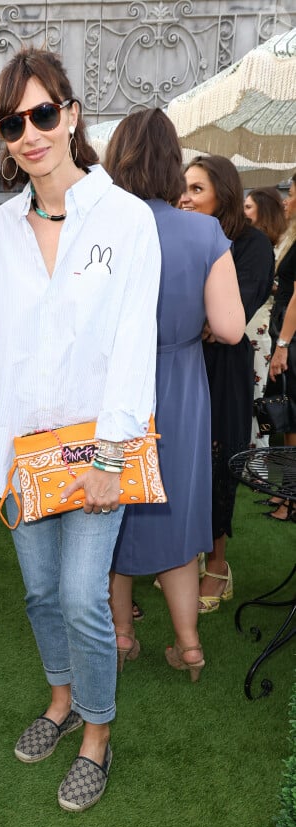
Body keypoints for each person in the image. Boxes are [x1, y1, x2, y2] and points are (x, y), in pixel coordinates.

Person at [0, 47, 161, 813]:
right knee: (39, 593)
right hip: (24, 454)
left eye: (42, 114)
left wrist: (112, 458)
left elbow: (132, 344)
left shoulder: (126, 218)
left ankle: (96, 733)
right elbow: (4, 351)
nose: (29, 133)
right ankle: (61, 698)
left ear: (72, 115)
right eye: (12, 122)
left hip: (99, 451)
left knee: (85, 597)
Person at [104, 109, 244, 681]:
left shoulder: (100, 227)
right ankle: (188, 644)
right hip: (181, 385)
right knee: (180, 513)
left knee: (110, 510)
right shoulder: (202, 231)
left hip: (114, 387)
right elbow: (233, 327)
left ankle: (121, 635)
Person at [181, 155, 275, 612]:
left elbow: (230, 317)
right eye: (184, 188)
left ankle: (218, 564)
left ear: (224, 191)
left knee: (220, 460)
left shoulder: (252, 243)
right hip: (184, 363)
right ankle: (188, 553)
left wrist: (202, 318)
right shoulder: (184, 235)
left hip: (226, 370)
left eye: (197, 188)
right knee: (185, 458)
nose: (185, 196)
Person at [243, 187, 287, 449]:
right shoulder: (258, 243)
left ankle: (257, 459)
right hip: (254, 324)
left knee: (258, 396)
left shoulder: (271, 245)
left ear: (263, 211)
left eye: (248, 207)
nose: (243, 213)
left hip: (259, 327)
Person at [267, 172, 296, 522]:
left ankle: (289, 501)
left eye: (290, 194)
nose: (286, 201)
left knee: (292, 424)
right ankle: (287, 497)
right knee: (290, 425)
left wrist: (283, 345)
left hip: (291, 339)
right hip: (286, 335)